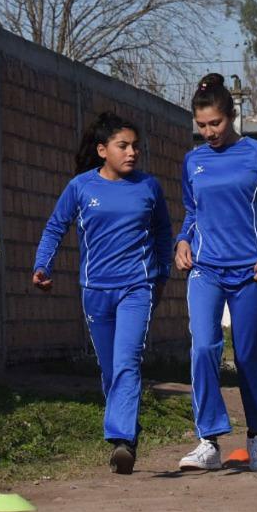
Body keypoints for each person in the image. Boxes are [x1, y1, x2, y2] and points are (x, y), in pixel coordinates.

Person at [175, 74, 257, 473]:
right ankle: (208, 441)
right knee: (203, 346)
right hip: (206, 269)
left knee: (248, 354)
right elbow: (192, 212)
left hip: (250, 271)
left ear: (231, 117)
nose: (209, 132)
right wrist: (183, 241)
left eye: (216, 123)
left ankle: (256, 438)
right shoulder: (192, 161)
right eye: (202, 125)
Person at [32, 112, 173, 475]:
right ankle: (129, 431)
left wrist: (160, 274)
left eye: (135, 147)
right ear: (101, 150)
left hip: (137, 288)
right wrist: (42, 265)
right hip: (95, 290)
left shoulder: (149, 187)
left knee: (127, 360)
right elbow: (54, 227)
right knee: (110, 369)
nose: (132, 153)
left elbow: (162, 233)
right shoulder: (80, 188)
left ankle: (121, 439)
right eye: (122, 146)